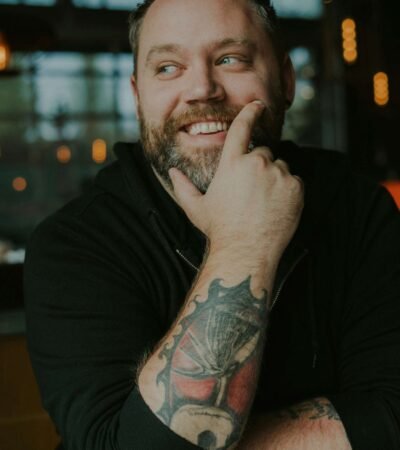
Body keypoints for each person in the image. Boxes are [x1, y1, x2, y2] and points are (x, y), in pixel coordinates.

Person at [24, 0, 400, 449]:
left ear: (286, 80)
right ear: (138, 95)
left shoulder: (357, 208)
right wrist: (245, 245)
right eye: (168, 67)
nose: (202, 89)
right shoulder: (73, 245)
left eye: (230, 59)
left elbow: (393, 417)